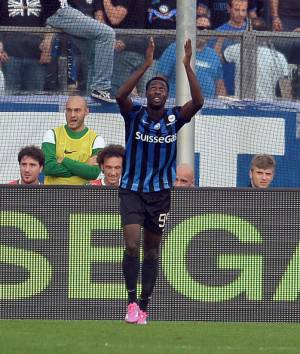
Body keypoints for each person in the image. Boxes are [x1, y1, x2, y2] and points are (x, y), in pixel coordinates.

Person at [116, 37, 204, 324]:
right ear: (147, 93)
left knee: (152, 252)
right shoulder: (134, 115)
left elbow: (199, 101)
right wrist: (146, 65)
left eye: (162, 89)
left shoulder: (174, 118)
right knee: (132, 244)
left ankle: (144, 306)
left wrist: (187, 66)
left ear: (167, 96)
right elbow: (120, 95)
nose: (157, 91)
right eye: (153, 87)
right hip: (131, 189)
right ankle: (130, 303)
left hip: (160, 194)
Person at [44, 0, 116, 102]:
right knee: (107, 34)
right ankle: (101, 87)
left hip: (68, 10)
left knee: (94, 51)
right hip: (60, 12)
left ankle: (95, 94)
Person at [157, 16, 227, 98]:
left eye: (208, 28)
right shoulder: (175, 48)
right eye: (201, 28)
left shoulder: (213, 55)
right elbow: (160, 78)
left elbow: (219, 84)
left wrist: (222, 104)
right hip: (178, 104)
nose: (205, 31)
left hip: (207, 106)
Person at [42, 95, 105, 185]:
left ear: (86, 111)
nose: (72, 115)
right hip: (52, 195)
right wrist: (85, 166)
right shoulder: (51, 134)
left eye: (77, 110)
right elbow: (48, 168)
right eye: (69, 110)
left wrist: (64, 160)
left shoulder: (97, 140)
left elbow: (93, 173)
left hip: (81, 196)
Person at [224, 18, 292, 99]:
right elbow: (286, 91)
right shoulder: (279, 57)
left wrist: (226, 37)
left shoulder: (237, 49)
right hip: (263, 105)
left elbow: (217, 59)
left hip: (246, 105)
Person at [0, 0, 50, 93]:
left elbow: (51, 22)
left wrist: (48, 47)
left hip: (37, 57)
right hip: (9, 57)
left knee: (36, 99)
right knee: (9, 98)